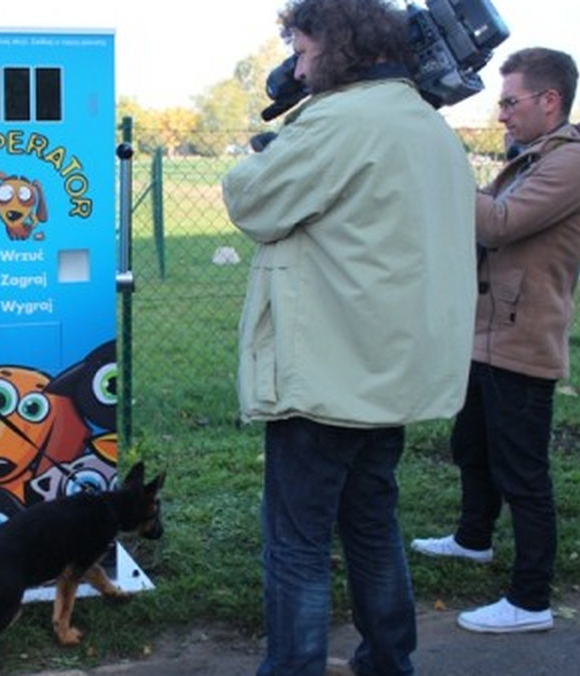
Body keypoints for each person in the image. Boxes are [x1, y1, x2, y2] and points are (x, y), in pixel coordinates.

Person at [221, 1, 477, 674]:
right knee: (370, 524)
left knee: (298, 543)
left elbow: (254, 202)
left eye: (302, 53)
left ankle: (295, 667)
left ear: (337, 47)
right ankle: (390, 660)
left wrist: (269, 151)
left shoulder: (340, 121)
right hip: (391, 370)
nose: (296, 69)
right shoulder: (425, 122)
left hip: (327, 372)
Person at [410, 48, 580, 634]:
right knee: (471, 445)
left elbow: (499, 224)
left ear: (550, 100)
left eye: (509, 101)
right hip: (489, 332)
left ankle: (531, 600)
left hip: (524, 340)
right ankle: (474, 538)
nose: (501, 114)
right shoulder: (537, 156)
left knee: (523, 473)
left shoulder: (572, 163)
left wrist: (445, 167)